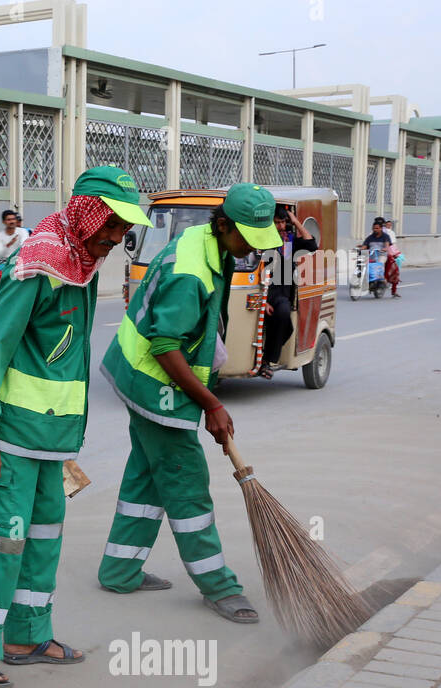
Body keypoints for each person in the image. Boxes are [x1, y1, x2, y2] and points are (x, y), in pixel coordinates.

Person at [0, 166, 153, 688]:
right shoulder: (40, 263)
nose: (118, 238)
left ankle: (26, 637)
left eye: (123, 229)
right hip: (12, 439)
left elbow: (61, 365)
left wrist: (64, 442)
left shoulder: (81, 265)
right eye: (112, 225)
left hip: (51, 441)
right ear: (88, 215)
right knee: (2, 544)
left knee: (43, 540)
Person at [97, 183, 283, 624]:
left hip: (142, 377)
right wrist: (210, 404)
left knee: (146, 478)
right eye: (247, 240)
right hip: (154, 384)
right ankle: (218, 585)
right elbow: (165, 345)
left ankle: (119, 569)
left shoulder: (205, 241)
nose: (251, 251)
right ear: (222, 224)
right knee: (187, 485)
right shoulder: (190, 273)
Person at [256, 204, 319, 378]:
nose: (281, 227)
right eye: (277, 223)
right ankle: (264, 362)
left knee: (286, 324)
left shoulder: (289, 241)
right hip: (265, 291)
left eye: (283, 222)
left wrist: (296, 221)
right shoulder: (262, 242)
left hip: (282, 293)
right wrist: (263, 300)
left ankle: (265, 360)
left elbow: (311, 244)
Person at [361, 218, 399, 297]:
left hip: (382, 255)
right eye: (374, 228)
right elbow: (365, 245)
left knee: (381, 264)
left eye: (377, 228)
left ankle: (382, 281)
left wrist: (385, 249)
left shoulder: (386, 236)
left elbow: (388, 245)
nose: (375, 230)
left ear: (381, 227)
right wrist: (361, 248)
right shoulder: (370, 237)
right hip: (371, 255)